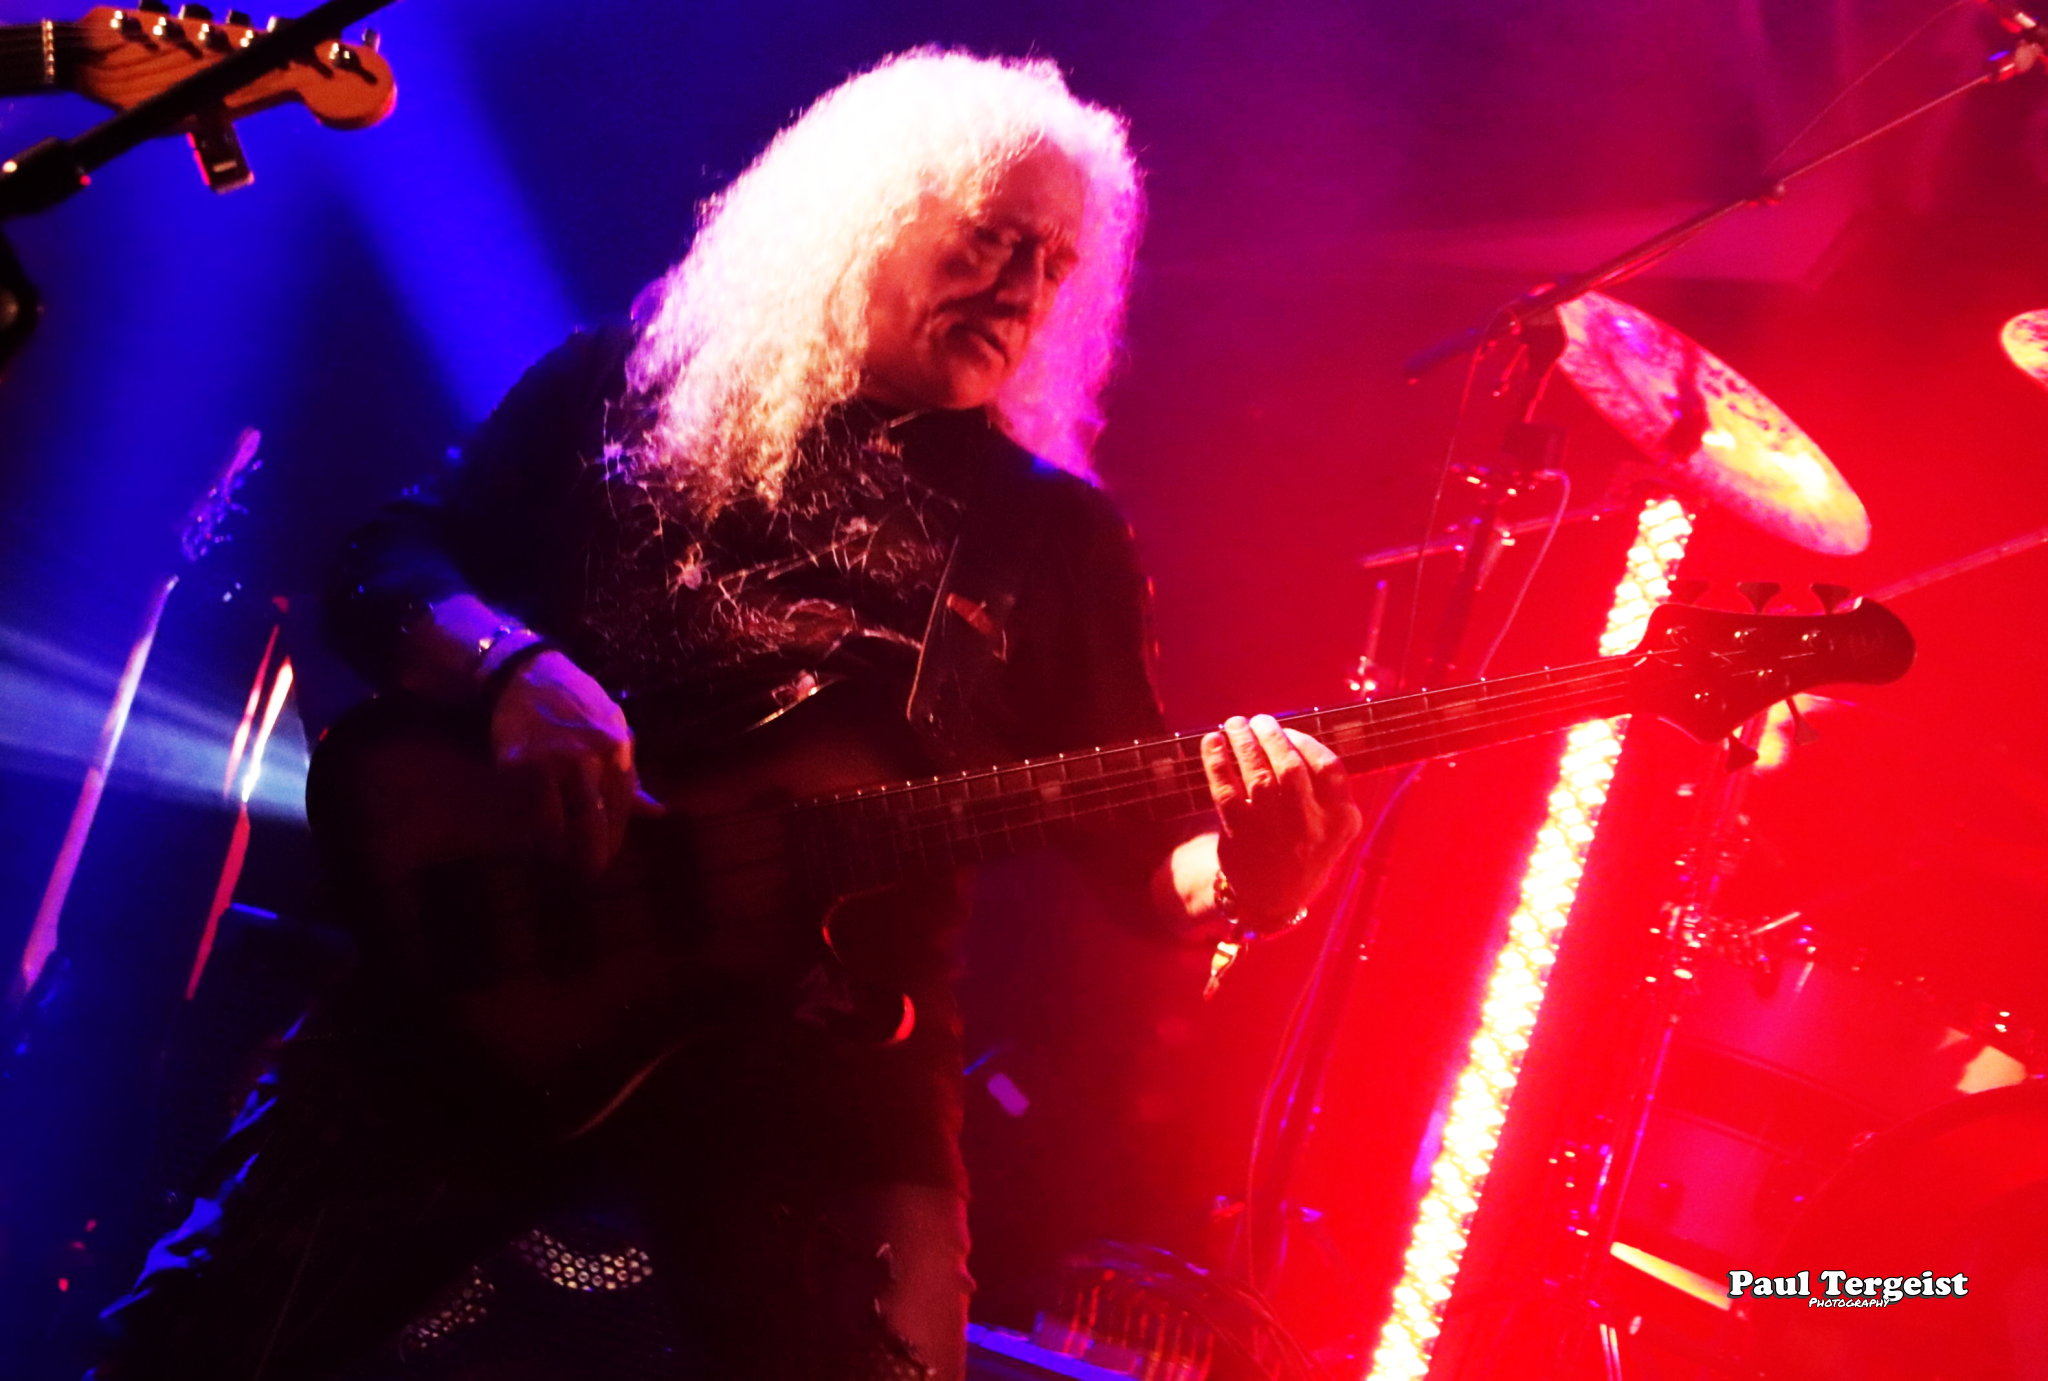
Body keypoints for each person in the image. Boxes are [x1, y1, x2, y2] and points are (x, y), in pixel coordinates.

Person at [92, 49, 1362, 1381]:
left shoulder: (1056, 539)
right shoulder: (624, 391)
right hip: (497, 970)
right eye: (993, 238)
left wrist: (1252, 879)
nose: (1022, 288)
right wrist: (514, 670)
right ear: (870, 216)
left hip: (816, 1072)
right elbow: (384, 561)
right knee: (200, 1350)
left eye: (1053, 263)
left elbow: (1145, 854)